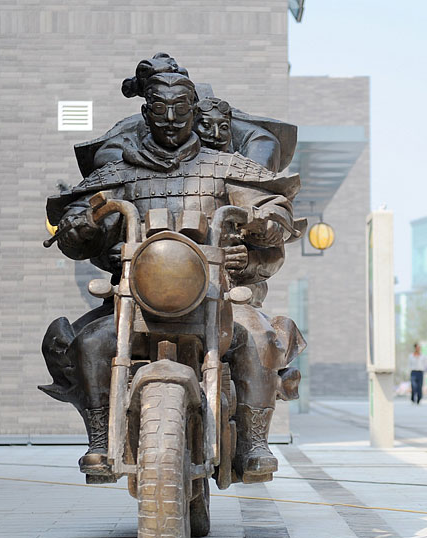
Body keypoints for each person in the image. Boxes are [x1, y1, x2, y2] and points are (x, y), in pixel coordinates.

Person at [40, 53, 304, 480]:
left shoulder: (225, 167)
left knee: (256, 337)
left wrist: (269, 221)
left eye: (180, 109)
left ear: (194, 111)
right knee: (90, 344)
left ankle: (255, 440)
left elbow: (268, 202)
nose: (169, 119)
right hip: (139, 297)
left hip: (214, 295)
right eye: (159, 110)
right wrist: (79, 222)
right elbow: (84, 212)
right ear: (146, 113)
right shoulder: (120, 170)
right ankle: (99, 440)